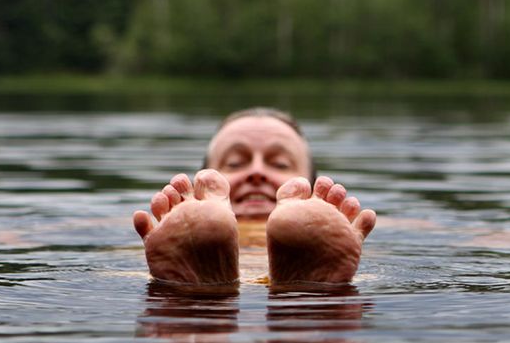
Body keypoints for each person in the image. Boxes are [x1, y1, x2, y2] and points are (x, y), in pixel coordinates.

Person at [132, 107, 376, 286]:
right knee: (313, 297)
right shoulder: (391, 230)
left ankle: (198, 291)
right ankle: (307, 289)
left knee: (143, 272)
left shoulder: (124, 232)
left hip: (199, 277)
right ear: (201, 187)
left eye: (280, 164)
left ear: (312, 186)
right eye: (235, 163)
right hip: (295, 283)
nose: (256, 172)